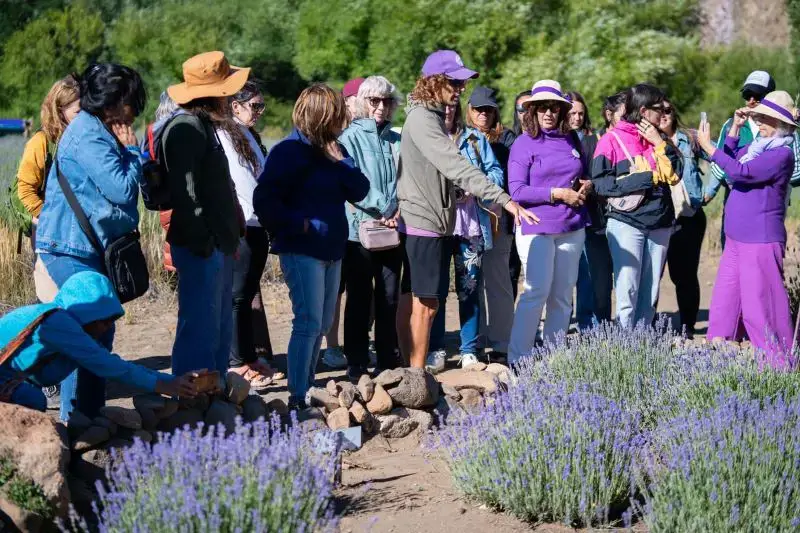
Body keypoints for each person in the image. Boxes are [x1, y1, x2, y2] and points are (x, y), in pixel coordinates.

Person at [394, 49, 536, 373]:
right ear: (435, 81)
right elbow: (456, 165)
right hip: (426, 221)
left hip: (428, 220)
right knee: (427, 304)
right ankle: (416, 376)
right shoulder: (423, 119)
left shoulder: (425, 115)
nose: (460, 89)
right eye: (455, 82)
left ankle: (410, 371)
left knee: (417, 299)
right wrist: (507, 200)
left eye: (462, 83)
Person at [35, 63, 147, 421]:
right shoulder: (88, 134)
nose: (133, 111)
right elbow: (122, 188)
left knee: (97, 329)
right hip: (70, 248)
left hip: (83, 247)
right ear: (112, 103)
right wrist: (133, 153)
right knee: (88, 331)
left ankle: (89, 418)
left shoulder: (94, 128)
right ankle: (77, 422)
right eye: (130, 102)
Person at [253, 83, 370, 409]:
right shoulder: (288, 152)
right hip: (302, 249)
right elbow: (264, 200)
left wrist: (340, 162)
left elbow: (360, 189)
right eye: (336, 114)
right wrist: (297, 223)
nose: (342, 120)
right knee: (307, 321)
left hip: (333, 250)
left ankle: (306, 387)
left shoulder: (332, 151)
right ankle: (298, 394)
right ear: (322, 116)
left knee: (321, 323)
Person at [0, 272, 199, 412]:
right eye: (104, 321)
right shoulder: (58, 323)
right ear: (88, 314)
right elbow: (109, 366)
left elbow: (115, 363)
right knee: (33, 401)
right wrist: (164, 386)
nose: (106, 328)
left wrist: (171, 381)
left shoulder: (63, 321)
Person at [163, 51, 249, 376]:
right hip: (202, 247)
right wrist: (208, 243)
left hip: (217, 245)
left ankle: (214, 396)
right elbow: (187, 197)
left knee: (217, 326)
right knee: (199, 326)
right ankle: (192, 402)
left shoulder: (203, 126)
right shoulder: (186, 129)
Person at [698, 92, 796, 368]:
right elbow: (731, 159)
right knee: (725, 299)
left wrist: (708, 147)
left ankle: (779, 362)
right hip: (737, 238)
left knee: (760, 305)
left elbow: (741, 172)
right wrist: (735, 128)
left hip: (760, 240)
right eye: (759, 117)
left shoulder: (781, 154)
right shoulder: (759, 146)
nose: (760, 123)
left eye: (766, 119)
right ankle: (718, 354)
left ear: (782, 125)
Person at [507, 81, 589, 362]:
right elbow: (516, 191)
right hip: (537, 227)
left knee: (563, 296)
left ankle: (554, 359)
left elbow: (581, 173)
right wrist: (556, 194)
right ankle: (519, 358)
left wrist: (584, 186)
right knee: (536, 292)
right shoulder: (522, 143)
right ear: (532, 111)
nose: (549, 113)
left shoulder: (571, 139)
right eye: (542, 108)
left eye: (555, 108)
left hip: (572, 226)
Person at [591, 83, 683, 329]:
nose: (664, 113)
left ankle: (642, 347)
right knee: (627, 290)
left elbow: (677, 173)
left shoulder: (660, 138)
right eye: (659, 108)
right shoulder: (611, 140)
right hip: (626, 223)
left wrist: (659, 142)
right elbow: (600, 184)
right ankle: (624, 348)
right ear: (643, 111)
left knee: (650, 292)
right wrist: (644, 178)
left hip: (660, 223)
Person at [428, 102, 505, 368]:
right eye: (441, 108)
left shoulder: (475, 139)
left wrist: (476, 184)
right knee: (436, 289)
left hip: (470, 225)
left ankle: (469, 349)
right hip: (436, 225)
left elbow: (497, 172)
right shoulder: (430, 138)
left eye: (451, 107)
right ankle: (436, 348)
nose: (447, 111)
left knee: (469, 288)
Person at [216, 80, 281, 390]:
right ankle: (237, 363)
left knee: (246, 293)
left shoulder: (246, 135)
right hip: (244, 224)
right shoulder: (227, 135)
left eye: (261, 106)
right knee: (237, 297)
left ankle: (249, 358)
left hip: (258, 224)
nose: (259, 111)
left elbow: (263, 176)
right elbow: (245, 183)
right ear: (235, 106)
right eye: (254, 106)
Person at [338, 76, 403, 379]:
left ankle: (388, 358)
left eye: (387, 101)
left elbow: (406, 180)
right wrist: (384, 207)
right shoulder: (347, 138)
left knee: (389, 296)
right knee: (359, 297)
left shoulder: (397, 138)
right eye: (374, 100)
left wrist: (398, 209)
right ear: (363, 102)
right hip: (357, 231)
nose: (381, 107)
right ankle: (356, 360)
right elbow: (351, 183)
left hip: (392, 229)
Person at [703, 71, 800, 248]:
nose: (751, 101)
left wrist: (765, 178)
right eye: (748, 95)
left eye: (758, 96)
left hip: (767, 208)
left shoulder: (787, 135)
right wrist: (712, 190)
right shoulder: (733, 124)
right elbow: (721, 165)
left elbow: (796, 172)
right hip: (735, 199)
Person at [466, 86, 517, 361]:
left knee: (498, 282)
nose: (483, 114)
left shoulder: (507, 139)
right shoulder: (459, 138)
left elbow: (509, 180)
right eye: (478, 109)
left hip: (498, 220)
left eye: (487, 109)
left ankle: (501, 344)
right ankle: (476, 342)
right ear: (469, 109)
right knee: (472, 282)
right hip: (467, 222)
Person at [320, 77, 366, 371]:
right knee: (335, 290)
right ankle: (332, 346)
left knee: (361, 290)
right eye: (360, 99)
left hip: (365, 228)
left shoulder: (370, 134)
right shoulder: (336, 138)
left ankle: (355, 342)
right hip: (341, 226)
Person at [565, 91, 613, 330]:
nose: (577, 117)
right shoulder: (559, 139)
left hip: (591, 214)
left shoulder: (592, 139)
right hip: (563, 215)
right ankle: (563, 322)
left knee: (588, 273)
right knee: (564, 275)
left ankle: (588, 323)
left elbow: (597, 174)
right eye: (572, 113)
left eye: (581, 113)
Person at [16, 75, 80, 252]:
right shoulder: (41, 142)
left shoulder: (82, 140)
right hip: (48, 231)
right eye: (78, 112)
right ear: (59, 111)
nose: (83, 117)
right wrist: (50, 219)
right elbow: (25, 189)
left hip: (78, 231)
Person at [660, 99, 706, 338]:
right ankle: (646, 327)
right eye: (659, 111)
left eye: (668, 110)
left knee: (685, 274)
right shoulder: (649, 141)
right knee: (654, 274)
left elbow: (721, 160)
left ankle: (687, 326)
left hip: (689, 216)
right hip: (658, 216)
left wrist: (710, 192)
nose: (664, 114)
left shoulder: (691, 138)